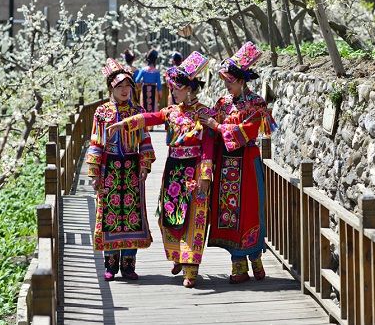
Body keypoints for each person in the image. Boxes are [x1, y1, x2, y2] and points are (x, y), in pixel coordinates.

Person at [108, 51, 213, 288]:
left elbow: (207, 145)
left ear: (188, 89)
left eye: (175, 88)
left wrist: (206, 174)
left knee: (194, 217)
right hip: (173, 169)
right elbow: (150, 117)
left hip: (194, 170)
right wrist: (125, 123)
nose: (172, 92)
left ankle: (191, 268)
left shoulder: (204, 113)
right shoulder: (172, 112)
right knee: (168, 216)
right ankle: (177, 256)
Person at [199, 42, 277, 284]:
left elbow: (249, 131)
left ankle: (255, 258)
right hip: (226, 165)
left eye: (230, 81)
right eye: (225, 81)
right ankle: (239, 264)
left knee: (249, 211)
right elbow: (211, 126)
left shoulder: (256, 104)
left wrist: (218, 126)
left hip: (247, 163)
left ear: (242, 81)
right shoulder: (223, 103)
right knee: (229, 212)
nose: (226, 86)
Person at [86, 58, 156, 281]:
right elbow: (96, 141)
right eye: (120, 87)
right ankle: (111, 264)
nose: (125, 90)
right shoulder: (102, 112)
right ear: (111, 88)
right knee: (110, 215)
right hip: (110, 169)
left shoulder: (138, 111)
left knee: (132, 215)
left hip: (132, 168)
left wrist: (145, 164)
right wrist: (95, 172)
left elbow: (144, 138)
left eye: (128, 86)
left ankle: (128, 265)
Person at [135, 49, 163, 114]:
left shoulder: (143, 70)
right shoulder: (156, 71)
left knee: (144, 105)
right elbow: (159, 84)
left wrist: (141, 82)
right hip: (153, 89)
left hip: (145, 88)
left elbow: (137, 80)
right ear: (155, 59)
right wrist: (160, 94)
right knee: (153, 106)